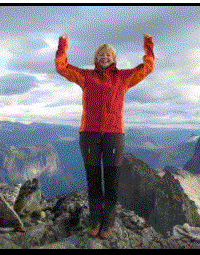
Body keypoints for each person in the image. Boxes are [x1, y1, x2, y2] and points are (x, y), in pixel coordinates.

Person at [55, 33, 154, 239]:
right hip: (89, 134)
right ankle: (95, 220)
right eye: (101, 54)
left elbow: (147, 68)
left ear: (114, 59)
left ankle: (107, 223)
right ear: (95, 58)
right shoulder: (86, 76)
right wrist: (62, 45)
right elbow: (61, 67)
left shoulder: (123, 78)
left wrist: (148, 44)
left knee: (112, 181)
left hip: (114, 134)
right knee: (93, 181)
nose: (105, 57)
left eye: (108, 54)